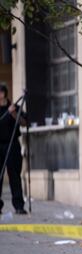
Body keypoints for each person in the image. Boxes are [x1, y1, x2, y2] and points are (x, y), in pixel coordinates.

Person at [0, 84, 27, 215]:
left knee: (14, 176)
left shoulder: (14, 107)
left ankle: (19, 206)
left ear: (4, 93)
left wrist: (13, 113)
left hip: (12, 145)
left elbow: (24, 122)